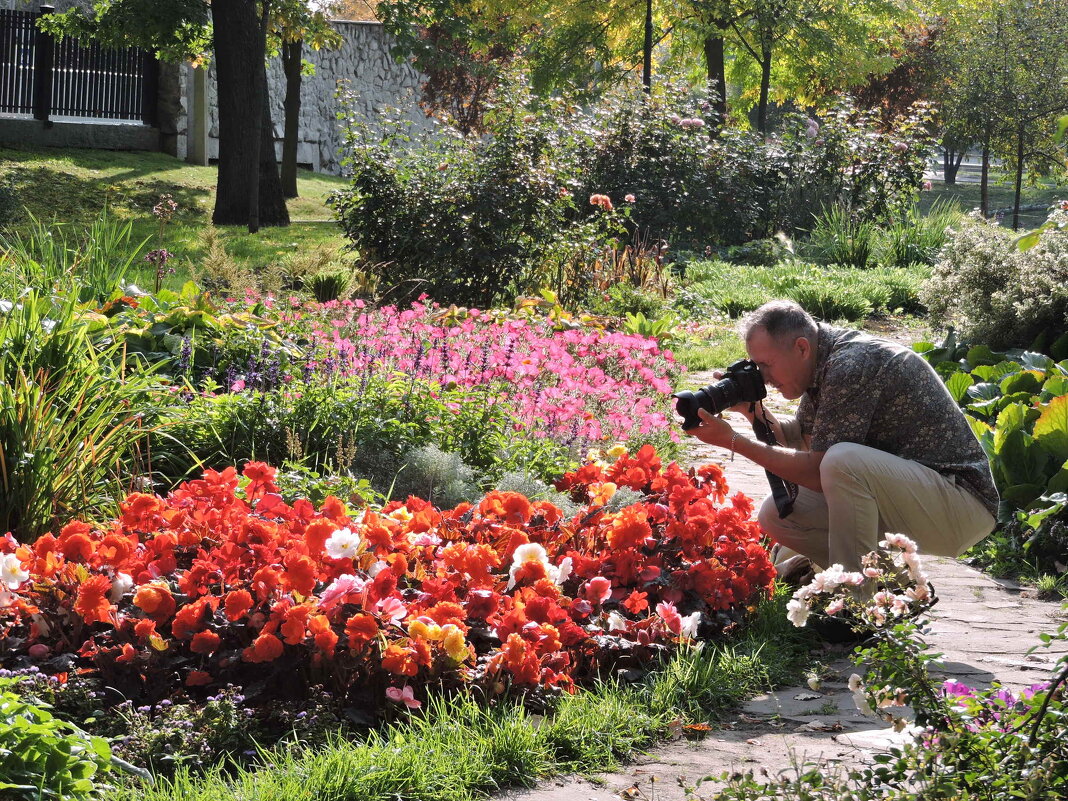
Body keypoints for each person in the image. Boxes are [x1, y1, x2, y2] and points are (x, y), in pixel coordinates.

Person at [684, 300, 997, 574]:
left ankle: (856, 606)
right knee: (777, 514)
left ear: (801, 347)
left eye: (766, 365)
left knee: (841, 461)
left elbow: (816, 471)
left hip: (961, 504)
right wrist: (752, 411)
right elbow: (798, 441)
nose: (762, 376)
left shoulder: (852, 364)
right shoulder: (823, 360)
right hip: (917, 496)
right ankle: (889, 587)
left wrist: (732, 441)